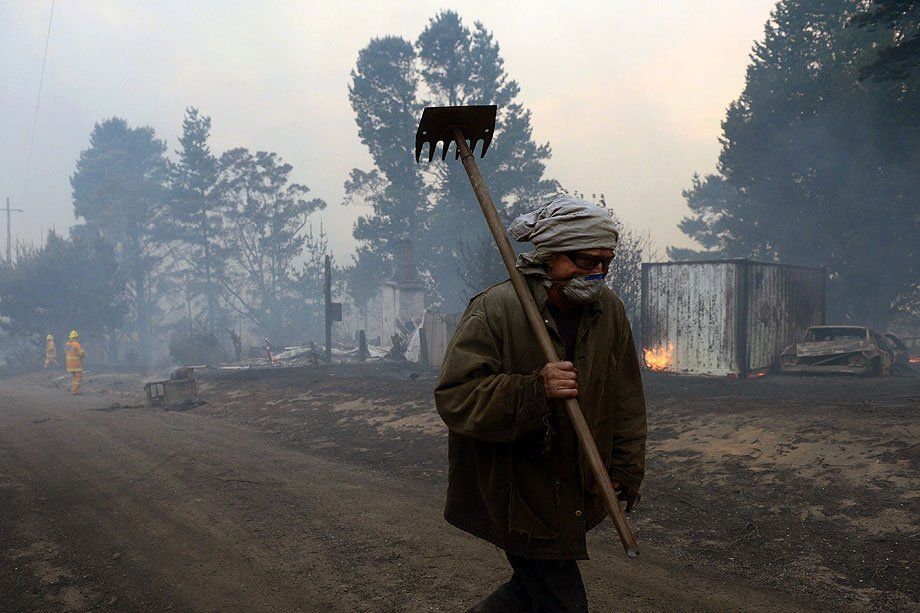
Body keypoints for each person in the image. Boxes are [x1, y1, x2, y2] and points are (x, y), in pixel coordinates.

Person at [435, 195, 647, 612]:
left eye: (606, 262)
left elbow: (625, 398)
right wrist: (535, 389)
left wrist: (625, 467)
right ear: (550, 258)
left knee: (530, 594)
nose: (599, 272)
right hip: (519, 488)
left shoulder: (610, 311)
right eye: (586, 262)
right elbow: (455, 397)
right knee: (562, 603)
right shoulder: (497, 310)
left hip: (572, 485)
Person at [64, 330, 86, 395]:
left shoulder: (67, 344)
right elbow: (81, 353)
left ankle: (76, 390)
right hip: (76, 365)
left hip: (69, 365)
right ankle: (74, 391)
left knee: (74, 378)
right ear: (75, 337)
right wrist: (83, 353)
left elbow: (67, 353)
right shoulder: (76, 344)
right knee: (78, 378)